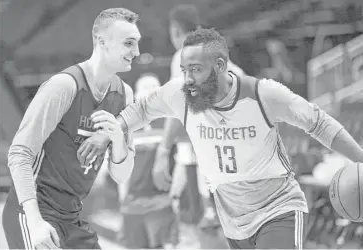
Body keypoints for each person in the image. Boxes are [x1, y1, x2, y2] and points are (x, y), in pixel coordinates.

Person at [83, 28, 363, 249]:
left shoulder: (262, 94)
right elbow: (141, 110)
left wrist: (361, 159)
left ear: (219, 66)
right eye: (184, 70)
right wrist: (107, 134)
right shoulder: (180, 94)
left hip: (278, 209)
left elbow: (319, 122)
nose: (188, 78)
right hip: (234, 222)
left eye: (195, 70)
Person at [3, 7, 139, 249]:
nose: (136, 52)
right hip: (34, 212)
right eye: (128, 43)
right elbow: (19, 154)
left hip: (72, 217)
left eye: (136, 43)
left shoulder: (124, 95)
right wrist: (35, 223)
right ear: (102, 42)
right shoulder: (64, 86)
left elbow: (121, 175)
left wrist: (118, 139)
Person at [154, 4, 245, 231]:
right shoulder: (218, 53)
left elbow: (178, 108)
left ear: (175, 30)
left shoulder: (185, 54)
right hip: (239, 146)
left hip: (213, 153)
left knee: (197, 222)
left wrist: (164, 150)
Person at [117, 74, 179, 249]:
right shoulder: (126, 128)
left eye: (155, 86)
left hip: (162, 201)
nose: (151, 90)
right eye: (146, 87)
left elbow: (181, 161)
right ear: (136, 95)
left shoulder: (171, 123)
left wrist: (174, 197)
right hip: (133, 204)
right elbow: (122, 168)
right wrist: (123, 199)